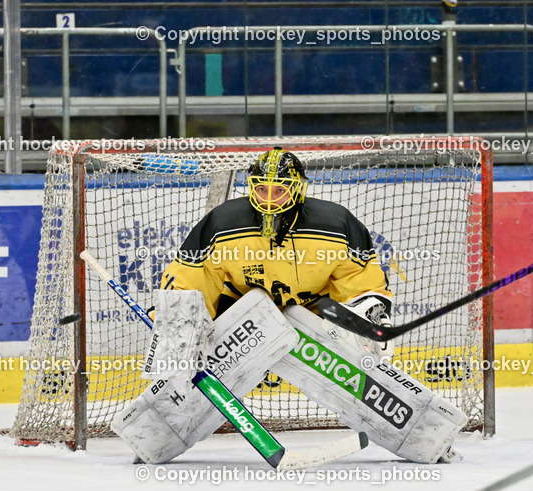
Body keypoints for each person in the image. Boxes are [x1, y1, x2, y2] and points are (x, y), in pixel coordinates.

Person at [113, 147, 464, 466]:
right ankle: (153, 436)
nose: (268, 199)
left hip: (306, 318)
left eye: (278, 190)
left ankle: (425, 435)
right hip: (242, 318)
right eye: (261, 189)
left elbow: (362, 283)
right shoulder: (222, 223)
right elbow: (189, 280)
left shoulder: (336, 224)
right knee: (192, 372)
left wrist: (366, 325)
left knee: (358, 373)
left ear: (297, 189)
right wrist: (177, 338)